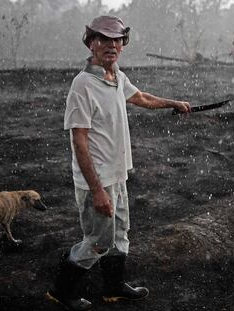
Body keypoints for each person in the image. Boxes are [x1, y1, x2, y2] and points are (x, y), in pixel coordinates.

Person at [45, 15, 190, 311]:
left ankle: (113, 288)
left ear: (123, 44)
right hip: (96, 181)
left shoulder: (116, 76)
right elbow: (79, 142)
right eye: (103, 39)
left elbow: (141, 97)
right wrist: (97, 190)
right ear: (91, 43)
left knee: (120, 233)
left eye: (117, 40)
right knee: (98, 240)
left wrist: (173, 103)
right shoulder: (82, 85)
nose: (111, 45)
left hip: (118, 176)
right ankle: (61, 292)